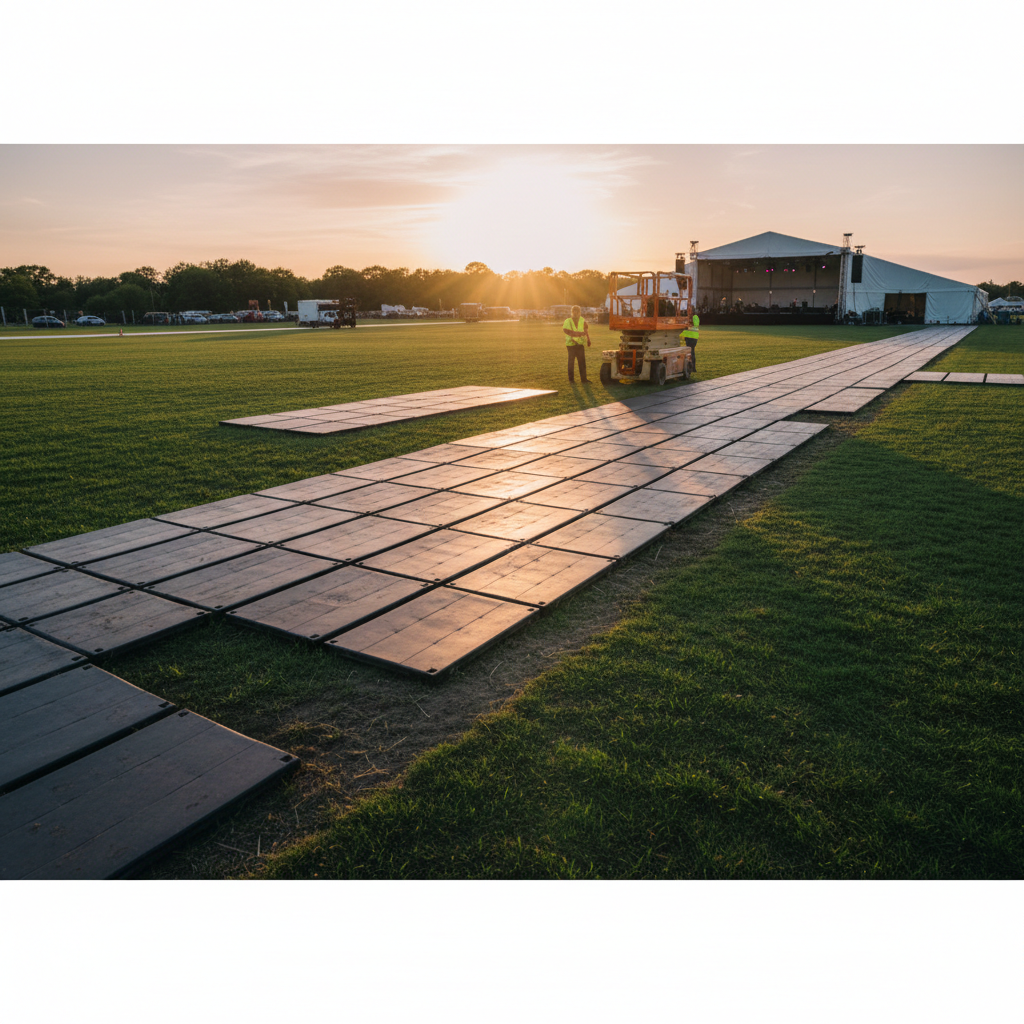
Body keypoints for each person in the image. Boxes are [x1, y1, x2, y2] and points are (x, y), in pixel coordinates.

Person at [562, 304, 591, 383]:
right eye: (574, 312)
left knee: (582, 362)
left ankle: (584, 379)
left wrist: (588, 339)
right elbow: (566, 331)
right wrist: (578, 334)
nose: (576, 313)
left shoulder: (582, 320)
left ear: (579, 312)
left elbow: (586, 330)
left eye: (577, 312)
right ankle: (571, 380)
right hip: (571, 345)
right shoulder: (568, 321)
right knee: (571, 362)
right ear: (572, 312)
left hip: (580, 344)